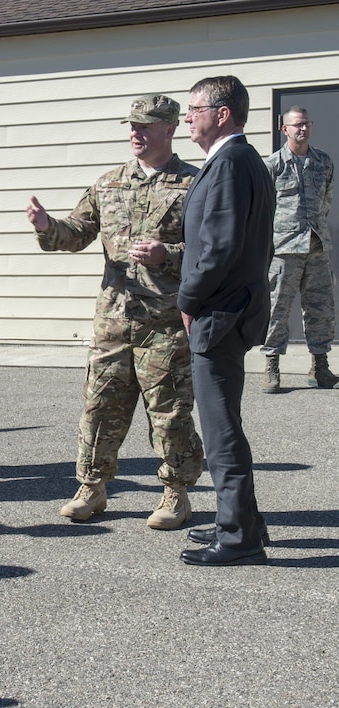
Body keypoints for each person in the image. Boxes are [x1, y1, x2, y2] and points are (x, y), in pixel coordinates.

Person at [26, 96, 204, 529]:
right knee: (100, 405)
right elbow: (76, 233)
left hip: (165, 323)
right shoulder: (108, 184)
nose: (135, 133)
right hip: (113, 319)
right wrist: (48, 227)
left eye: (145, 126)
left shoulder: (195, 184)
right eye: (131, 126)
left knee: (169, 410)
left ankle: (175, 493)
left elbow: (211, 249)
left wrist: (169, 254)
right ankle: (92, 486)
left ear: (170, 128)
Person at [178, 76, 274, 566]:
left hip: (219, 312)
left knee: (219, 431)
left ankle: (239, 538)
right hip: (234, 307)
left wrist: (187, 300)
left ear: (222, 113)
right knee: (226, 422)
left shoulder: (231, 164)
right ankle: (245, 521)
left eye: (194, 108)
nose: (186, 117)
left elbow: (218, 249)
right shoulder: (242, 160)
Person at [260, 106, 336, 392]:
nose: (302, 129)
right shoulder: (273, 165)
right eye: (296, 125)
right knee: (277, 307)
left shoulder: (323, 162)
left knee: (321, 308)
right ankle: (272, 365)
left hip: (316, 245)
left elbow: (326, 199)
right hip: (285, 247)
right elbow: (265, 209)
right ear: (285, 129)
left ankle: (320, 366)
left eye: (306, 124)